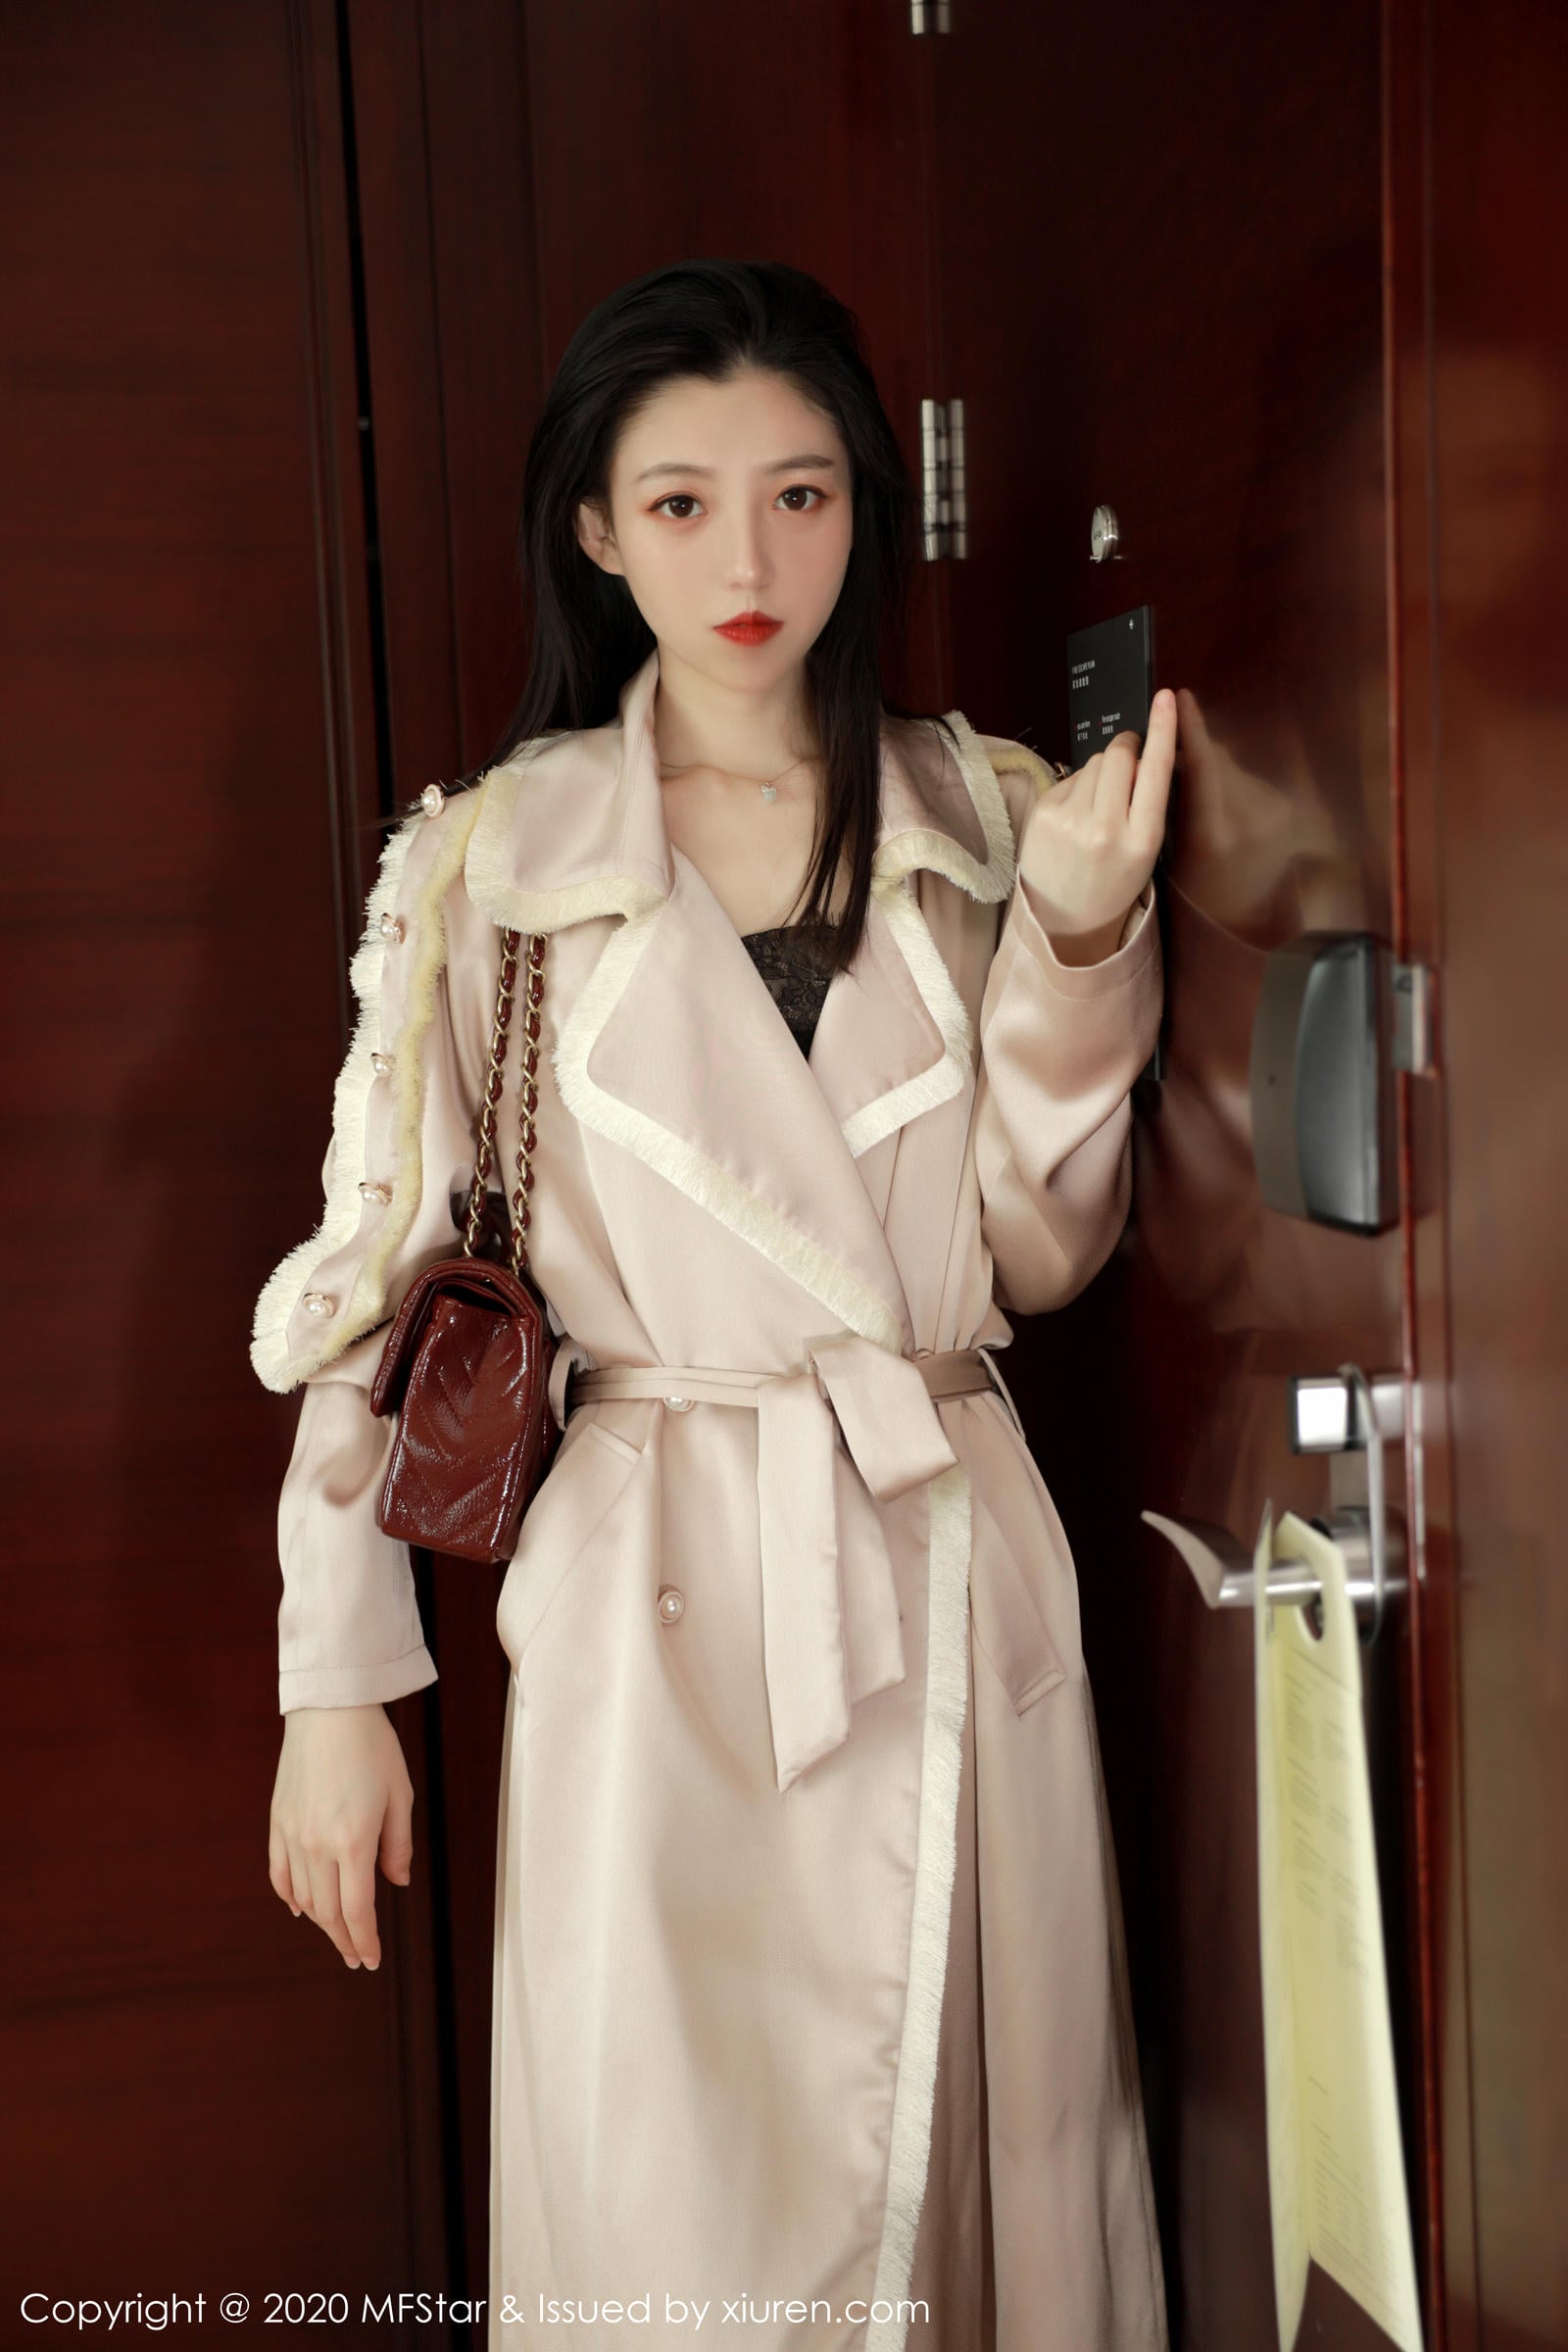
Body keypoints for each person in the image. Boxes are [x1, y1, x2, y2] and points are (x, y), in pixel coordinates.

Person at [256, 259, 1174, 2351]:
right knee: (676, 2211)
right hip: (650, 1603)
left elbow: (1041, 1258)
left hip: (938, 1557)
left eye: (799, 496)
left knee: (972, 2190)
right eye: (679, 505)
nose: (747, 565)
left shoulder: (983, 817)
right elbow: (376, 1296)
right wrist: (337, 1692)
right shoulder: (496, 862)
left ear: (865, 504)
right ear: (596, 528)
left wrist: (1078, 944)